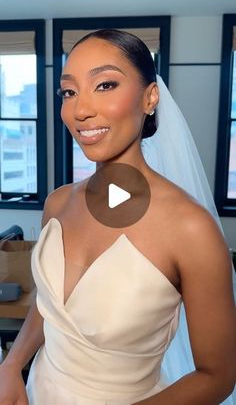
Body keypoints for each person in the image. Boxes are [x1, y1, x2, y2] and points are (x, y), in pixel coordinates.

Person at [0, 28, 235, 405]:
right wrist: (11, 365)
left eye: (105, 85)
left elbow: (218, 375)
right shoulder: (57, 204)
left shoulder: (191, 230)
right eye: (69, 91)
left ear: (150, 97)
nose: (80, 110)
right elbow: (49, 308)